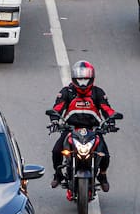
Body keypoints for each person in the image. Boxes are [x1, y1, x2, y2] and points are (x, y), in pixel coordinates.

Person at [49, 60, 121, 192]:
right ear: (74, 79)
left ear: (92, 79)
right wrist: (54, 120)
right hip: (70, 129)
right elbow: (57, 108)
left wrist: (111, 120)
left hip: (93, 130)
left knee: (104, 153)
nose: (83, 83)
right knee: (56, 150)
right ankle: (58, 174)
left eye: (86, 80)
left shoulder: (97, 92)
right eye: (80, 80)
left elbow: (106, 109)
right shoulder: (67, 92)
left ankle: (103, 175)